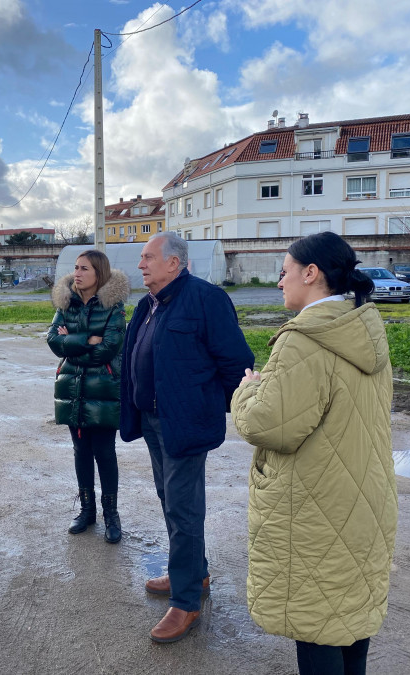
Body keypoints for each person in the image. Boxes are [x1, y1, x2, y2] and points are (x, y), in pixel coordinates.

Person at [230, 231, 398, 675]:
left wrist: (247, 391)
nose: (279, 283)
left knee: (318, 622)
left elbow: (269, 425)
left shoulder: (305, 339)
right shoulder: (363, 330)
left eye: (283, 273)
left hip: (317, 507)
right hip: (364, 498)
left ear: (311, 273)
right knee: (350, 619)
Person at [120, 232, 254, 643]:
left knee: (183, 507)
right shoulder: (148, 304)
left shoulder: (206, 299)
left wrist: (226, 409)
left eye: (148, 258)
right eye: (141, 259)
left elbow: (236, 361)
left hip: (186, 423)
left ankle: (186, 601)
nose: (140, 265)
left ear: (173, 263)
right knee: (170, 499)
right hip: (153, 421)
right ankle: (195, 571)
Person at [46, 250, 130, 543]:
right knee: (81, 451)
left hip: (104, 389)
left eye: (84, 269)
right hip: (72, 389)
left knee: (105, 453)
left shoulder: (114, 307)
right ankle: (86, 510)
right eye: (76, 267)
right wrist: (85, 340)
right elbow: (53, 340)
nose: (77, 273)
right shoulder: (65, 303)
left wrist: (72, 342)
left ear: (99, 274)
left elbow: (109, 347)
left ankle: (111, 515)